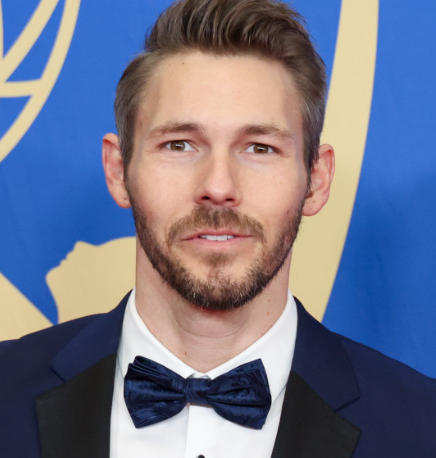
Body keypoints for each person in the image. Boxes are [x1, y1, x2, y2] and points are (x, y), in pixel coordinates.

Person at [1, 0, 436, 457]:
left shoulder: (421, 427)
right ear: (117, 170)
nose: (218, 187)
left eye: (259, 148)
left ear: (316, 179)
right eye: (180, 144)